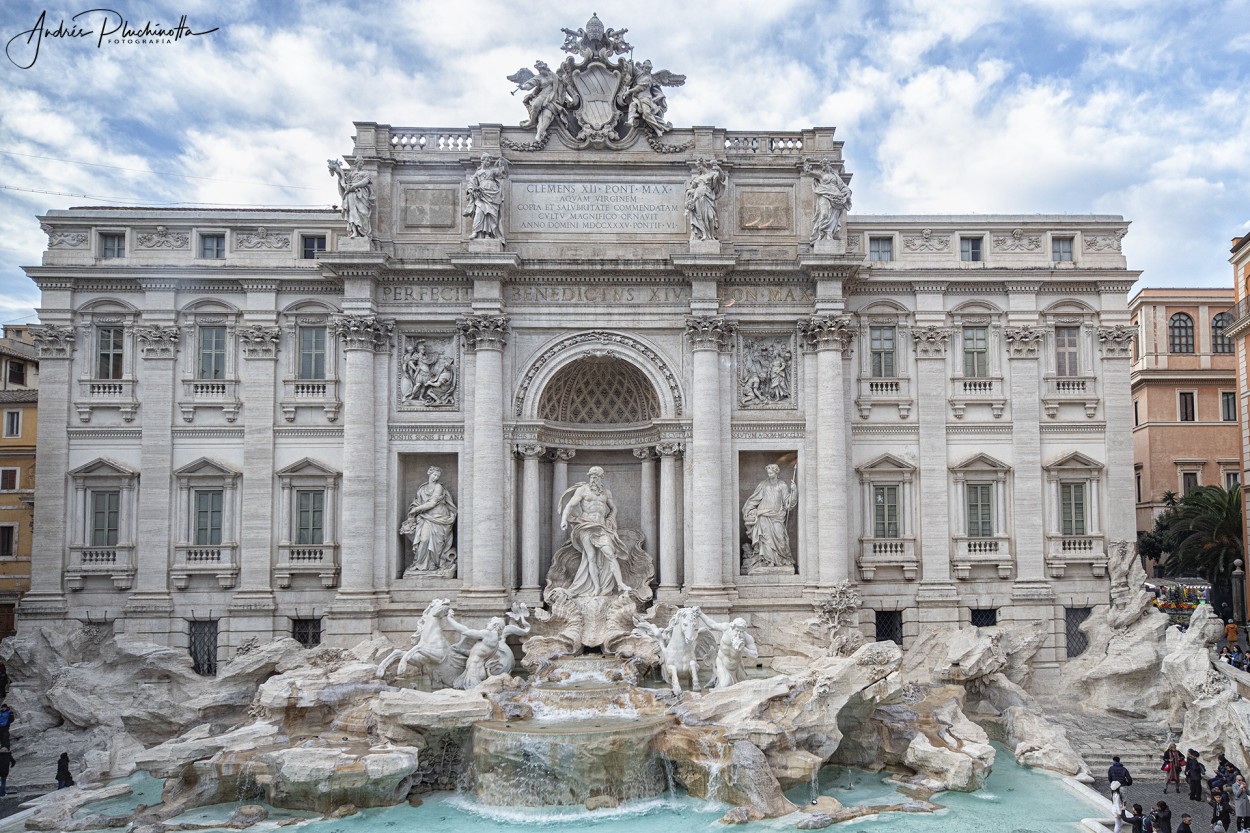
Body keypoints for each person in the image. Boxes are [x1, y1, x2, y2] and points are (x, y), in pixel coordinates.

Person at [559, 466, 632, 597]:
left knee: (610, 554)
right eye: (592, 477)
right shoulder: (583, 490)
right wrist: (563, 520)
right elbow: (569, 505)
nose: (593, 479)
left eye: (596, 477)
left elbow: (614, 508)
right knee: (591, 557)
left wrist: (611, 518)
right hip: (586, 526)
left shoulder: (606, 493)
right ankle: (596, 587)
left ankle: (620, 583)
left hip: (601, 527)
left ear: (601, 478)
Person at [400, 466, 457, 574]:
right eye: (434, 475)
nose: (435, 477)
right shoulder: (422, 488)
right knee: (424, 540)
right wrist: (414, 509)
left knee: (437, 543)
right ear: (429, 473)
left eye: (438, 476)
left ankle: (433, 564)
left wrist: (416, 509)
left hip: (439, 518)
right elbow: (417, 502)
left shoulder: (439, 487)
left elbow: (432, 503)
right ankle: (419, 564)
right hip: (426, 517)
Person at [741, 464, 798, 571]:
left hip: (777, 516)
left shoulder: (782, 485)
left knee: (780, 536)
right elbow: (755, 499)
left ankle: (780, 560)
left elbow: (788, 504)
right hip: (763, 515)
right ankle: (768, 561)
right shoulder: (763, 485)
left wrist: (794, 492)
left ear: (776, 472)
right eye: (768, 473)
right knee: (765, 538)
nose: (769, 474)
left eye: (771, 472)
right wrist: (748, 509)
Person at [805, 158, 853, 241]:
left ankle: (829, 235)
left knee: (833, 217)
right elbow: (809, 172)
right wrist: (806, 164)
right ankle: (821, 234)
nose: (824, 166)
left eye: (826, 164)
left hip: (836, 197)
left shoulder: (835, 176)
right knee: (824, 214)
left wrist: (847, 196)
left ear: (829, 165)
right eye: (823, 165)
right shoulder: (821, 175)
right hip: (824, 194)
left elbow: (843, 187)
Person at [463, 154, 507, 241]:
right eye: (487, 160)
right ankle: (475, 231)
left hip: (493, 194)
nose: (488, 162)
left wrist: (502, 164)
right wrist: (471, 189)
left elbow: (502, 174)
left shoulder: (493, 171)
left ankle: (489, 234)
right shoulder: (478, 173)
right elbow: (471, 183)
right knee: (479, 212)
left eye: (489, 161)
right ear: (482, 161)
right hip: (482, 194)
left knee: (491, 215)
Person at [327, 159, 374, 239]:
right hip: (351, 194)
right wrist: (338, 172)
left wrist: (354, 186)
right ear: (356, 163)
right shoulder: (351, 174)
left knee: (363, 213)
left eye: (362, 163)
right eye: (360, 163)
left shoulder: (365, 173)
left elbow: (365, 181)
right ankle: (355, 232)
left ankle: (364, 233)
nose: (361, 164)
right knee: (352, 212)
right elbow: (345, 182)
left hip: (361, 194)